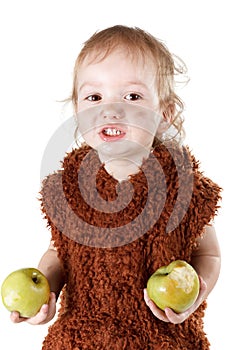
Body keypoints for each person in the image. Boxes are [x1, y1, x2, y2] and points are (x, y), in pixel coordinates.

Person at [11, 25, 221, 349]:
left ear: (164, 114)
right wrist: (45, 294)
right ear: (78, 111)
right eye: (94, 97)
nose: (110, 109)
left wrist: (196, 293)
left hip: (161, 340)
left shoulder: (182, 186)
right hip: (81, 338)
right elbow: (59, 253)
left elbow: (208, 252)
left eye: (132, 96)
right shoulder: (69, 189)